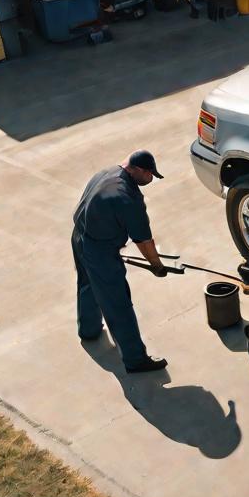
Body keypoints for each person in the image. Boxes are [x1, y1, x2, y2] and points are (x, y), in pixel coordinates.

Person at [72, 150, 169, 373]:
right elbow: (144, 241)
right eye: (148, 173)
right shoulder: (128, 198)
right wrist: (157, 265)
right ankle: (136, 359)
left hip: (79, 235)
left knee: (87, 283)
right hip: (100, 249)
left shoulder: (106, 173)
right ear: (135, 170)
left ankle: (89, 330)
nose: (151, 178)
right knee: (118, 302)